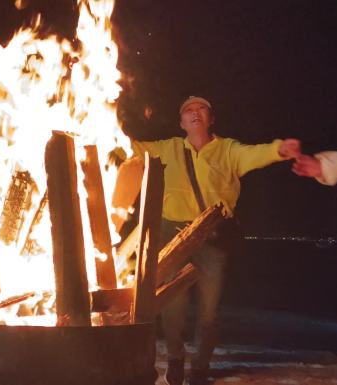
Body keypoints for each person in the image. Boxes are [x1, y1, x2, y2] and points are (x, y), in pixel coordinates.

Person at [122, 96, 300, 385]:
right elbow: (131, 148)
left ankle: (201, 368)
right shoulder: (168, 148)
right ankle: (177, 358)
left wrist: (280, 149)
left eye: (201, 109)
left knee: (209, 310)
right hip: (173, 233)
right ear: (181, 123)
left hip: (212, 235)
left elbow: (256, 153)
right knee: (172, 306)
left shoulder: (228, 150)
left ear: (211, 118)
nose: (195, 113)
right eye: (188, 111)